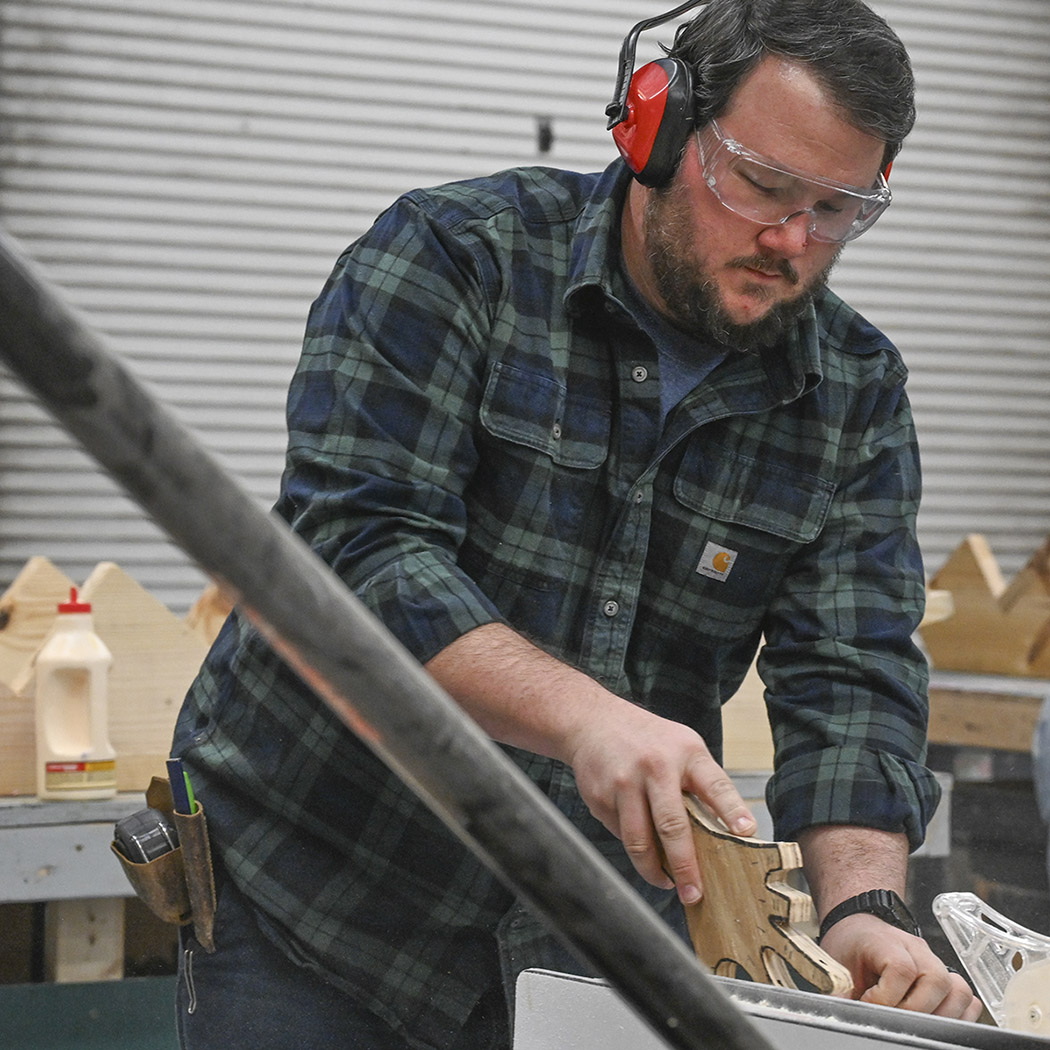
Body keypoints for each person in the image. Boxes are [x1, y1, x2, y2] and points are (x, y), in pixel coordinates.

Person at [171, 1, 983, 1046]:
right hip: (324, 905)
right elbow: (354, 558)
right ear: (660, 127)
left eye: (836, 211)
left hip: (589, 946)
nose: (791, 241)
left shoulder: (853, 392)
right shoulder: (453, 261)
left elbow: (854, 672)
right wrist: (583, 715)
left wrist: (864, 908)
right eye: (763, 186)